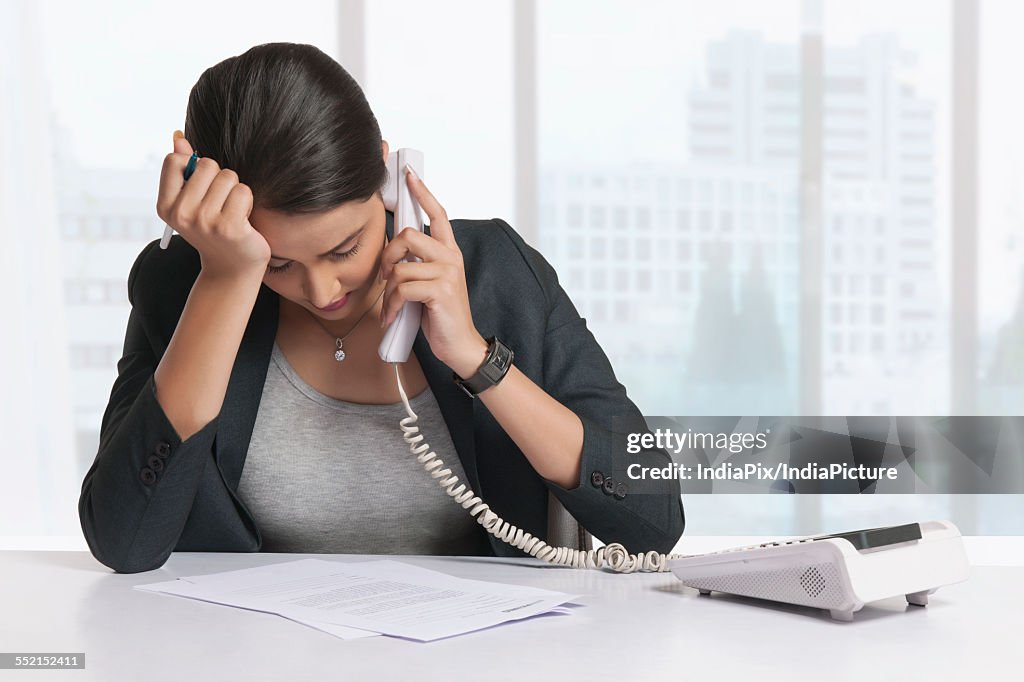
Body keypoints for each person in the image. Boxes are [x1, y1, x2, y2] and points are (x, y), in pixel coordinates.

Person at [78, 42, 684, 574]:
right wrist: (226, 280)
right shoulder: (182, 286)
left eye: (345, 248)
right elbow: (124, 543)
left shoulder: (497, 272)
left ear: (390, 180)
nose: (321, 291)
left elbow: (654, 520)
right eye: (277, 263)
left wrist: (475, 359)